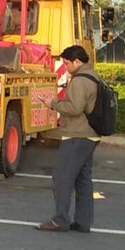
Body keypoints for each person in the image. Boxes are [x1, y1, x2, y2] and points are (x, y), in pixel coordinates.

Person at [36, 45, 101, 233]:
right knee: (83, 179)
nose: (65, 67)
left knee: (62, 177)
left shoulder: (80, 81)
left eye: (66, 63)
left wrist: (53, 103)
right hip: (90, 134)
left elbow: (74, 108)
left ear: (77, 62)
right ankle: (83, 221)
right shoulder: (94, 76)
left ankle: (60, 219)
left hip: (77, 134)